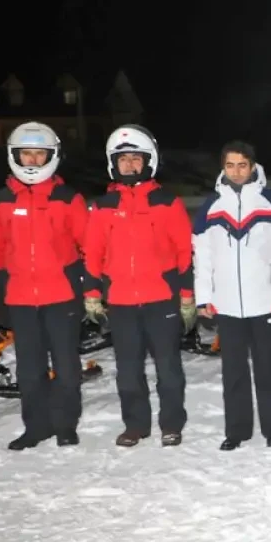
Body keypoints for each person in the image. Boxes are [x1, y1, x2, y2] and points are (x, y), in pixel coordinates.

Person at [83, 125, 194, 447]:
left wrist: (186, 296)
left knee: (169, 370)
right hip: (121, 302)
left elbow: (184, 251)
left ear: (149, 162)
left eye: (136, 158)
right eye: (123, 159)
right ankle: (136, 426)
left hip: (162, 300)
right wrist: (92, 294)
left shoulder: (167, 202)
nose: (129, 165)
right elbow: (93, 253)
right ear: (113, 164)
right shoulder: (103, 206)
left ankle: (171, 424)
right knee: (128, 372)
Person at [0, 122, 89, 450]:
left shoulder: (68, 198)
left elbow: (87, 244)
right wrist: (0, 296)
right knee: (29, 372)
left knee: (67, 369)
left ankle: (65, 425)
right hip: (20, 298)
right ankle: (36, 427)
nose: (31, 160)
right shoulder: (0, 201)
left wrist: (85, 287)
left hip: (61, 297)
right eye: (26, 154)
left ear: (51, 157)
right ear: (16, 156)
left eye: (38, 154)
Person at [192, 141, 271, 451]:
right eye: (230, 165)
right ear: (222, 168)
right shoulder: (211, 206)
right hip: (225, 304)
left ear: (253, 166)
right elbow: (203, 258)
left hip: (263, 301)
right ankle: (236, 431)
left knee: (268, 368)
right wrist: (203, 298)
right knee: (233, 370)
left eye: (242, 165)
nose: (236, 172)